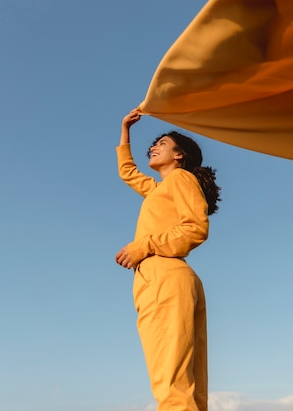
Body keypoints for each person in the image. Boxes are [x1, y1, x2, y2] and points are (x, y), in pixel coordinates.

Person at [115, 108, 221, 411]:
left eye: (162, 143)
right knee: (190, 389)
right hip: (173, 278)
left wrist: (143, 246)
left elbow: (196, 228)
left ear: (179, 155)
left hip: (163, 276)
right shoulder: (160, 189)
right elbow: (128, 173)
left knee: (172, 383)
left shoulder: (181, 179)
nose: (154, 147)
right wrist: (126, 131)